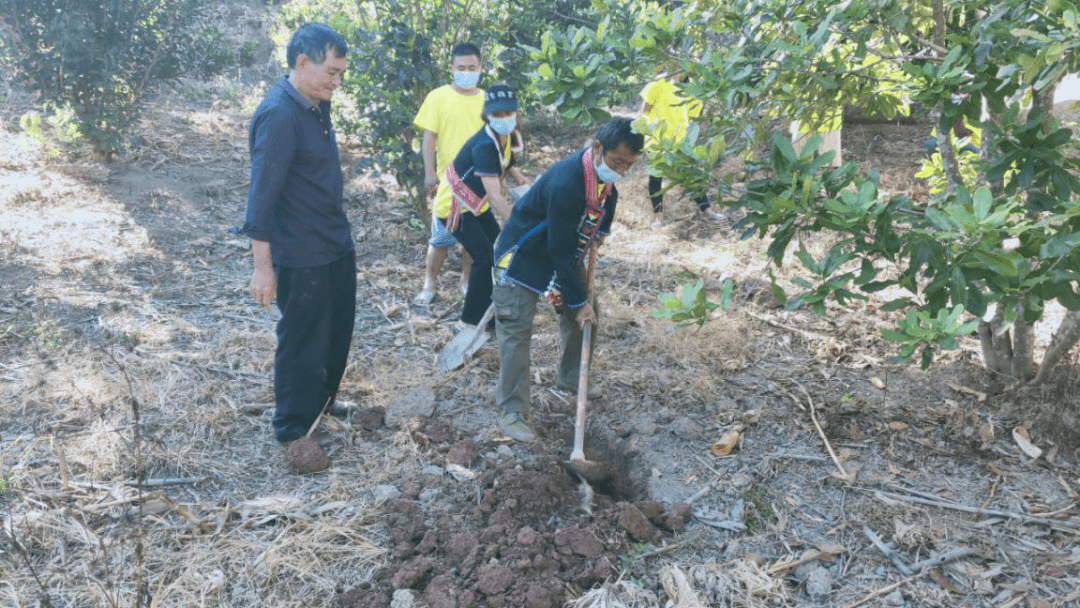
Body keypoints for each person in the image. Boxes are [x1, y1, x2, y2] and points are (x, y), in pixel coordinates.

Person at [491, 117, 644, 442]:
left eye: (629, 166)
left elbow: (609, 196)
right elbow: (559, 250)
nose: (620, 170)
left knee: (591, 312)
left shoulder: (601, 175)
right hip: (522, 255)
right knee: (517, 330)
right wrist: (575, 303)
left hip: (559, 248)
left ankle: (572, 376)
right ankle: (512, 412)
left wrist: (600, 232)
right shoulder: (567, 182)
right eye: (617, 161)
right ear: (598, 147)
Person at [242, 23, 356, 445]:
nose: (337, 82)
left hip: (335, 242)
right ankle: (293, 429)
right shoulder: (279, 115)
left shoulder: (315, 101)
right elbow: (261, 198)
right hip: (301, 252)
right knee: (303, 341)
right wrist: (262, 268)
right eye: (331, 72)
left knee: (336, 332)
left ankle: (322, 404)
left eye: (342, 73)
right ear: (303, 63)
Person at [444, 84, 530, 328]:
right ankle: (468, 321)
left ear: (516, 113)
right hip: (455, 206)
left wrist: (519, 177)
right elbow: (494, 197)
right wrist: (517, 224)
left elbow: (507, 160)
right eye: (497, 115)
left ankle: (489, 312)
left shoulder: (507, 136)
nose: (503, 119)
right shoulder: (483, 146)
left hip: (476, 205)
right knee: (484, 258)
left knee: (499, 251)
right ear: (487, 116)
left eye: (508, 114)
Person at [412, 42, 486, 307]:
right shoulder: (438, 97)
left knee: (472, 240)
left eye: (472, 68)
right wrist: (429, 172)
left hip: (479, 184)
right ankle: (429, 285)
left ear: (481, 68)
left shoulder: (486, 100)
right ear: (452, 68)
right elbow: (429, 138)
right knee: (440, 238)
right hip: (449, 184)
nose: (467, 72)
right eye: (461, 67)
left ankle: (465, 282)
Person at [640, 74, 723, 224]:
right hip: (657, 141)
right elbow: (645, 110)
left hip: (680, 142)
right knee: (656, 180)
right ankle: (658, 218)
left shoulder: (691, 88)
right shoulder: (657, 83)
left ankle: (707, 211)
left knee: (692, 176)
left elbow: (691, 116)